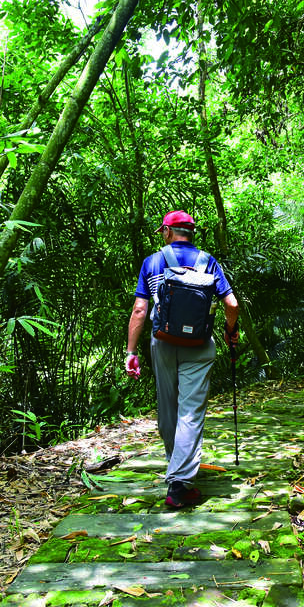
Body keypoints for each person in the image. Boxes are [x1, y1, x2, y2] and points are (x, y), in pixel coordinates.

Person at [125, 211, 240, 509]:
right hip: (198, 345)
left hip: (162, 343)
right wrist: (231, 332)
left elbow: (140, 310)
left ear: (167, 232)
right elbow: (232, 304)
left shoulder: (152, 262)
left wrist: (131, 352)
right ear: (191, 233)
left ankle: (176, 468)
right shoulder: (208, 261)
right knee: (190, 412)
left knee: (168, 410)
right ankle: (179, 482)